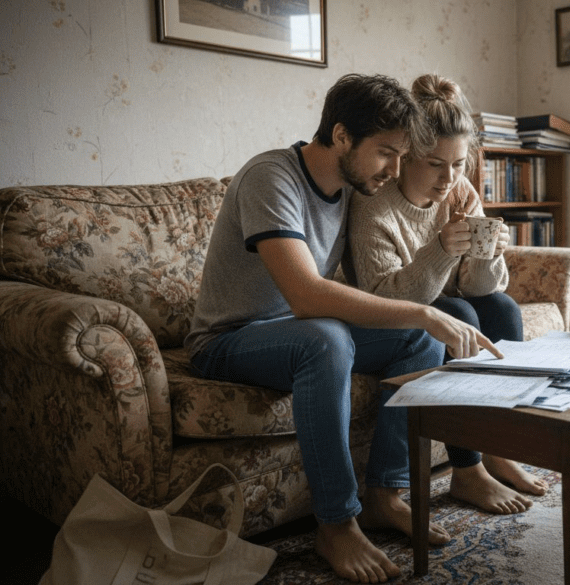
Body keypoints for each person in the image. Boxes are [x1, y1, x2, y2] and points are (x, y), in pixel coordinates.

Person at [184, 73, 503, 584]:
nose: (396, 170)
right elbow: (307, 296)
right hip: (228, 339)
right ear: (339, 136)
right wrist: (422, 310)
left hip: (294, 331)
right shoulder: (272, 177)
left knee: (420, 340)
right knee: (333, 336)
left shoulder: (351, 186)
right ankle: (336, 522)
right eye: (386, 153)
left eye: (403, 155)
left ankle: (384, 494)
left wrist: (427, 311)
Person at [347, 73, 549, 501]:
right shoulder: (373, 206)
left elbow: (479, 288)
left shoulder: (460, 191)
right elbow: (385, 301)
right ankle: (467, 467)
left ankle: (496, 447)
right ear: (405, 157)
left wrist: (488, 254)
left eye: (459, 165)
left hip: (444, 301)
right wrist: (440, 250)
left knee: (503, 309)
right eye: (436, 165)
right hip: (386, 314)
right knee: (460, 316)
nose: (449, 179)